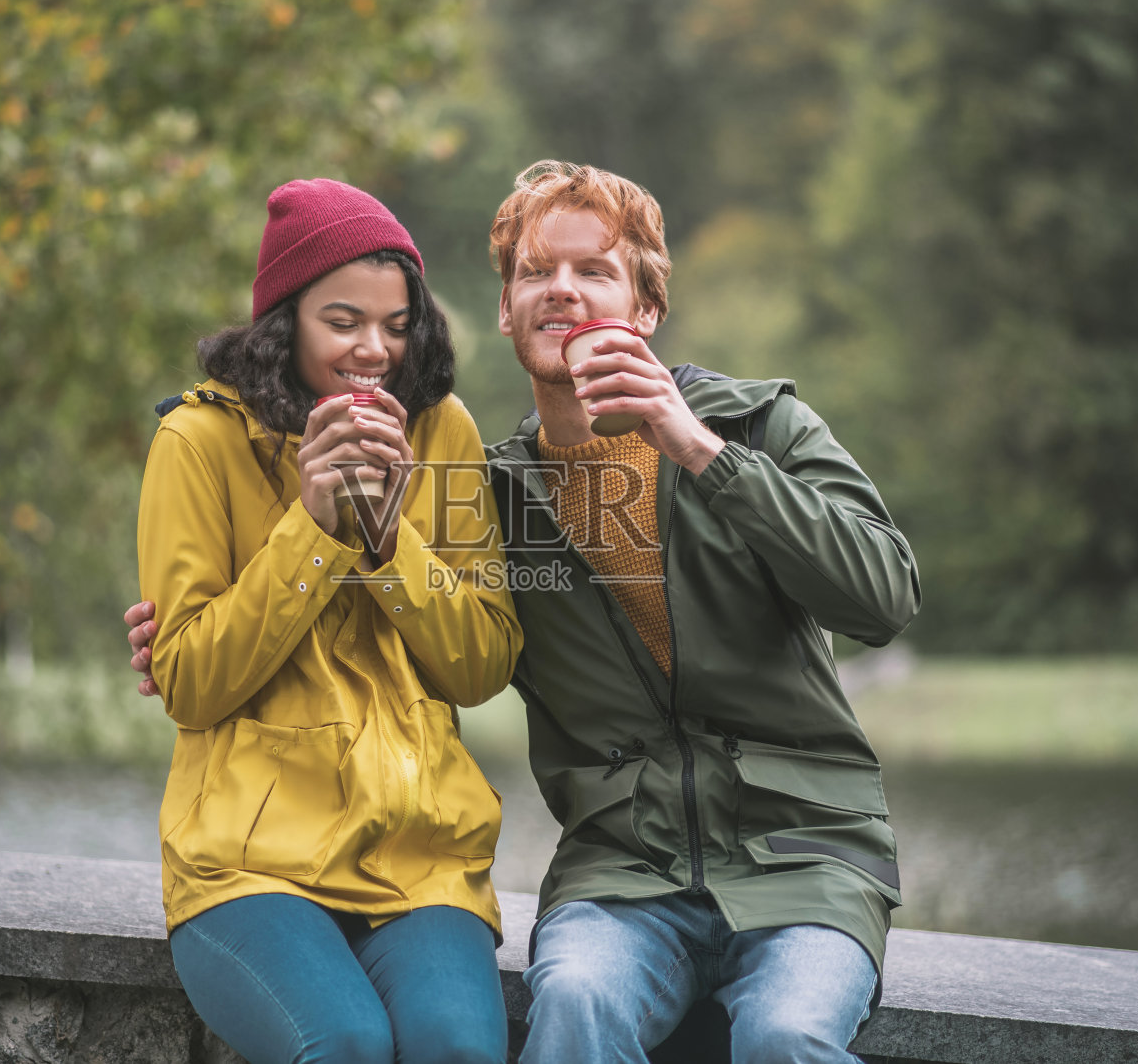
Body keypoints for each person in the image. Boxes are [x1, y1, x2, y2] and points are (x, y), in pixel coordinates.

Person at [128, 161, 921, 1064]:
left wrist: (698, 448)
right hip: (624, 869)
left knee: (785, 1034)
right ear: (505, 309)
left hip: (805, 855)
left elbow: (884, 597)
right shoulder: (499, 488)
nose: (563, 290)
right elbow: (231, 659)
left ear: (647, 306)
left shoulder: (757, 428)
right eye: (537, 271)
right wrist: (267, 578)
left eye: (595, 270)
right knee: (573, 1003)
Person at [134, 177, 521, 1064]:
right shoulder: (196, 442)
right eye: (343, 321)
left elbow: (483, 665)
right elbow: (189, 682)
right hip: (247, 861)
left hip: (420, 857)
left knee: (458, 1049)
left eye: (396, 324)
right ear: (285, 321)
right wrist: (313, 527)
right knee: (344, 1043)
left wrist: (388, 543)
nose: (375, 349)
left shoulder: (443, 430)